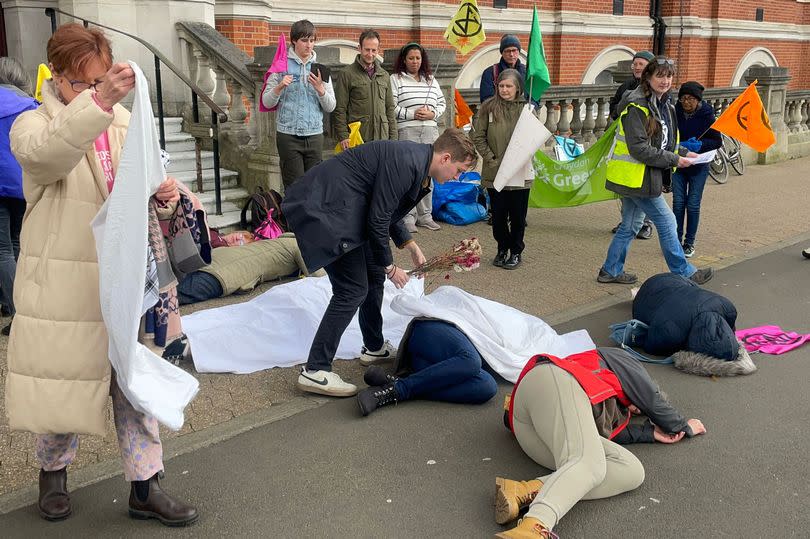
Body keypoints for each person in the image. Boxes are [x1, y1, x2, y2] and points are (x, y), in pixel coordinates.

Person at [6, 24, 197, 525]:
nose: (94, 93)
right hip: (64, 282)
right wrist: (100, 102)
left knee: (132, 383)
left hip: (122, 275)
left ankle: (145, 484)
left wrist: (162, 193)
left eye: (100, 82)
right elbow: (47, 157)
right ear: (59, 78)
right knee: (64, 380)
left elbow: (139, 186)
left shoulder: (123, 122)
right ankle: (52, 475)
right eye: (82, 84)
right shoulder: (31, 125)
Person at [282, 128, 478, 397]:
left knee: (372, 276)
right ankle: (316, 370)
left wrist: (409, 245)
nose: (456, 177)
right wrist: (391, 266)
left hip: (343, 209)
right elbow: (378, 218)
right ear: (445, 158)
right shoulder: (408, 163)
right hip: (326, 212)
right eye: (458, 170)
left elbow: (386, 209)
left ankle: (373, 347)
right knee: (352, 289)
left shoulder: (417, 164)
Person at [495, 347, 707, 538]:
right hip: (552, 379)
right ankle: (534, 525)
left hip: (533, 428)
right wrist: (682, 427)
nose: (636, 411)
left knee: (631, 472)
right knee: (590, 464)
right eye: (638, 408)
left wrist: (649, 433)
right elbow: (652, 397)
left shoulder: (617, 411)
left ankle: (526, 490)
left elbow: (596, 437)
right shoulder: (619, 360)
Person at [598, 57, 714, 286]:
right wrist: (674, 159)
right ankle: (684, 272)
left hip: (639, 177)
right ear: (648, 77)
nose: (665, 80)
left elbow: (663, 141)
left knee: (630, 226)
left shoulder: (665, 104)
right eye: (660, 75)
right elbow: (639, 148)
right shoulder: (637, 107)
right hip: (636, 179)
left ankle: (610, 270)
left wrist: (683, 152)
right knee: (667, 222)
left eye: (669, 76)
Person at [356, 319, 498, 416]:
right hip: (437, 329)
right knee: (471, 360)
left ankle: (396, 384)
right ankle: (399, 390)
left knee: (487, 386)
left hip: (430, 363)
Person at [261, 19, 335, 188]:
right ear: (294, 40)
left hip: (315, 135)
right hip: (288, 136)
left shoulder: (320, 69)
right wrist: (279, 87)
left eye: (312, 40)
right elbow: (266, 101)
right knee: (294, 188)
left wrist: (320, 89)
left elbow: (331, 106)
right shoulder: (281, 65)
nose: (309, 45)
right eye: (304, 40)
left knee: (314, 188)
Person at [472, 69, 531, 270]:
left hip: (519, 172)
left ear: (518, 88)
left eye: (509, 86)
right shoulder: (488, 108)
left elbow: (534, 138)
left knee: (518, 217)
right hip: (495, 171)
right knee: (497, 217)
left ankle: (516, 251)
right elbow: (477, 136)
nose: (504, 90)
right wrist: (491, 159)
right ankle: (502, 248)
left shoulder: (527, 109)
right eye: (501, 86)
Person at [391, 42, 446, 233]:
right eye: (411, 58)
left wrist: (433, 115)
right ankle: (408, 217)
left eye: (418, 58)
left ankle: (425, 216)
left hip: (430, 130)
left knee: (428, 174)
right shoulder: (395, 79)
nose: (415, 61)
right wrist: (412, 114)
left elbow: (442, 103)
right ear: (404, 60)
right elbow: (392, 106)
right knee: (409, 175)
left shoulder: (431, 80)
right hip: (408, 130)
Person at [0, 57, 37, 336]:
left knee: (2, 250)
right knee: (18, 244)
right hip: (24, 181)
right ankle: (24, 306)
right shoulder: (31, 104)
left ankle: (19, 314)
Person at [672, 81, 722, 258]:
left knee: (692, 205)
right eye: (683, 99)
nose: (686, 102)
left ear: (698, 100)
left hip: (699, 166)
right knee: (678, 204)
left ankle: (689, 242)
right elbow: (668, 137)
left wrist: (700, 145)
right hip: (678, 164)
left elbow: (717, 141)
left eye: (691, 99)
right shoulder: (674, 112)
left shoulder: (707, 115)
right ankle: (675, 241)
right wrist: (679, 145)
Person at [609, 50, 656, 240]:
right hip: (626, 146)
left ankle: (645, 224)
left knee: (644, 187)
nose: (637, 67)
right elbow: (614, 107)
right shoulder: (626, 87)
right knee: (625, 188)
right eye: (635, 64)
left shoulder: (656, 88)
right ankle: (626, 221)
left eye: (641, 64)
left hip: (646, 145)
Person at [333, 28, 397, 151]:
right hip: (358, 138)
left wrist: (393, 138)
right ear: (359, 48)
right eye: (367, 49)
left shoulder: (384, 75)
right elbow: (340, 109)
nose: (370, 54)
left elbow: (390, 109)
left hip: (382, 138)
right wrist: (343, 136)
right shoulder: (347, 74)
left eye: (374, 50)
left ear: (378, 50)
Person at [479, 35, 526, 104]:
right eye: (507, 51)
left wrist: (530, 109)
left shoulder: (526, 71)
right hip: (498, 112)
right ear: (502, 53)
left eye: (514, 50)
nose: (511, 54)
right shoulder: (490, 72)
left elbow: (533, 96)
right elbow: (486, 99)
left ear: (518, 51)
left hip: (522, 112)